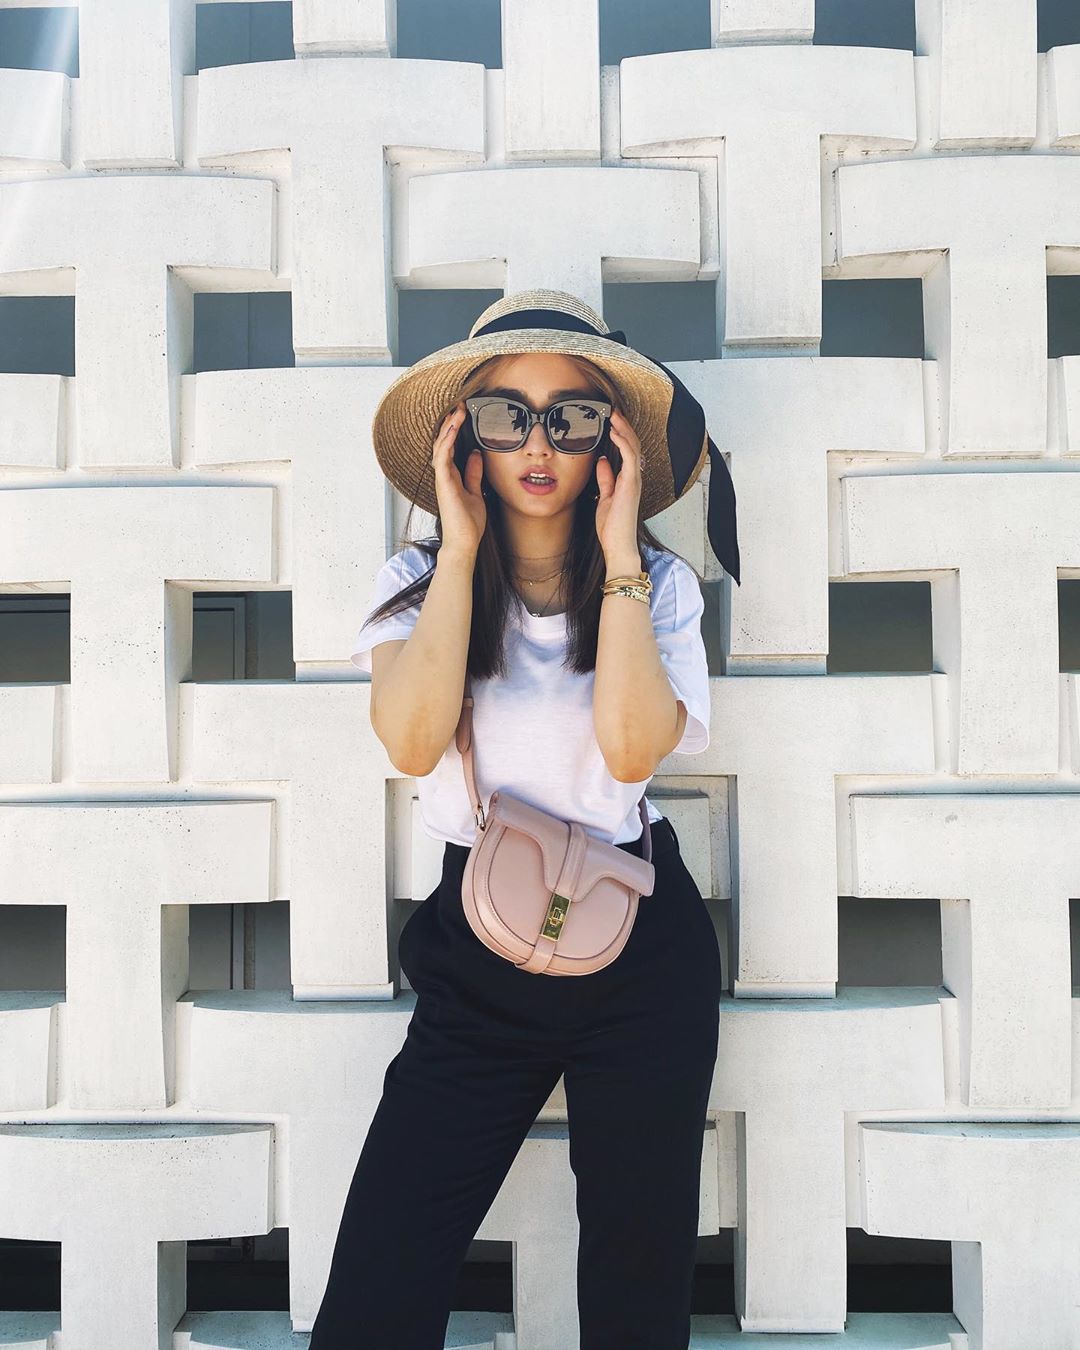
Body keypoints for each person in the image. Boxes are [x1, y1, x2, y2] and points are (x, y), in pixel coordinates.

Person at [308, 289, 741, 1350]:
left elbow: (632, 751)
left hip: (641, 946)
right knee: (384, 1272)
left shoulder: (660, 586)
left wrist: (622, 556)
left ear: (612, 442)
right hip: (479, 949)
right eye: (507, 415)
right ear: (466, 440)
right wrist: (457, 555)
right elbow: (411, 741)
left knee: (639, 1282)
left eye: (572, 417)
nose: (538, 444)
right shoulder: (416, 583)